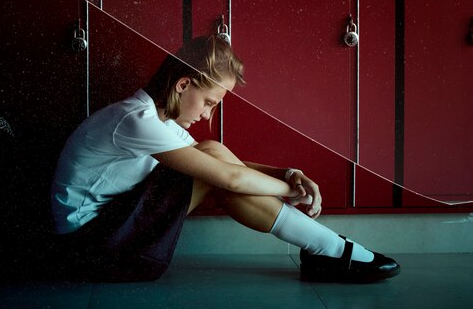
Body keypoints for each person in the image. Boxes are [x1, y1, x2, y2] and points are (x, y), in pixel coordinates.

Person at [51, 35, 400, 283]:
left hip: (111, 232)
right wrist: (291, 190)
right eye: (209, 102)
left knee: (210, 152)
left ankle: (327, 250)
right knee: (211, 163)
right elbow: (227, 178)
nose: (207, 115)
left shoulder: (154, 119)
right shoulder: (136, 120)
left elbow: (224, 165)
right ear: (183, 84)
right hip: (94, 249)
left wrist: (291, 172)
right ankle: (329, 249)